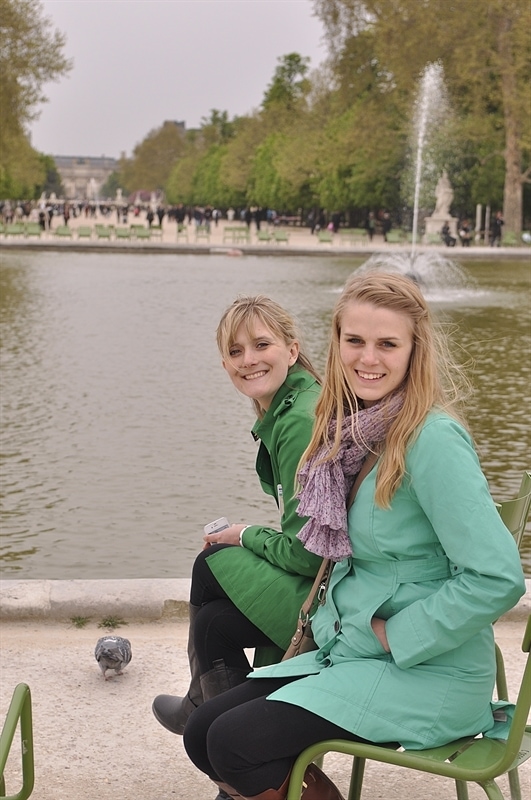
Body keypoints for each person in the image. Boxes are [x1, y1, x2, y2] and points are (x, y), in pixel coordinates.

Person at [182, 271, 526, 800]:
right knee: (202, 733)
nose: (369, 358)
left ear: (415, 350)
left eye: (388, 343)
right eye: (355, 341)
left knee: (232, 743)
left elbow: (498, 577)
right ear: (335, 344)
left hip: (429, 671)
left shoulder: (430, 440)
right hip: (358, 653)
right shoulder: (354, 432)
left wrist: (402, 633)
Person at [152, 297, 322, 788]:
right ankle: (222, 731)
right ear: (224, 362)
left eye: (261, 345)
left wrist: (247, 533)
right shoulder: (298, 402)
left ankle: (204, 710)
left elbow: (307, 552)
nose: (249, 359)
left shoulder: (299, 421)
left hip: (336, 599)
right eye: (235, 350)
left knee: (213, 562)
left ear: (292, 348)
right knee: (213, 624)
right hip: (333, 580)